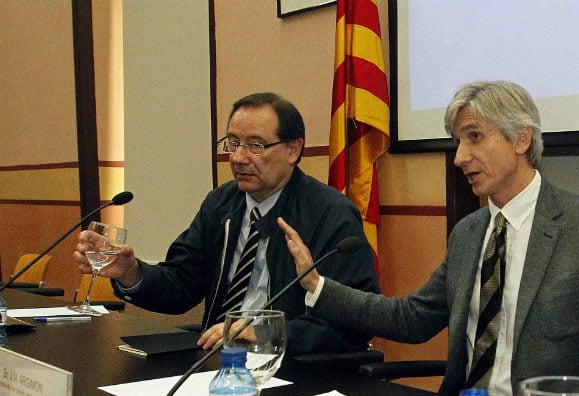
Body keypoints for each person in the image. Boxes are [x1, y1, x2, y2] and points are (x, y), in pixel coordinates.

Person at [278, 80, 579, 396]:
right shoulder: (470, 233)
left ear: (521, 139)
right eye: (457, 142)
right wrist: (317, 286)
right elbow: (412, 318)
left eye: (473, 137)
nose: (459, 157)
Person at [73, 92, 380, 355]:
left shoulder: (330, 214)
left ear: (293, 150)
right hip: (215, 360)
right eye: (233, 143)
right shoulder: (222, 203)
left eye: (256, 145)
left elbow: (352, 322)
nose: (238, 158)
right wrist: (131, 272)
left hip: (290, 367)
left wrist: (266, 332)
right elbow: (182, 285)